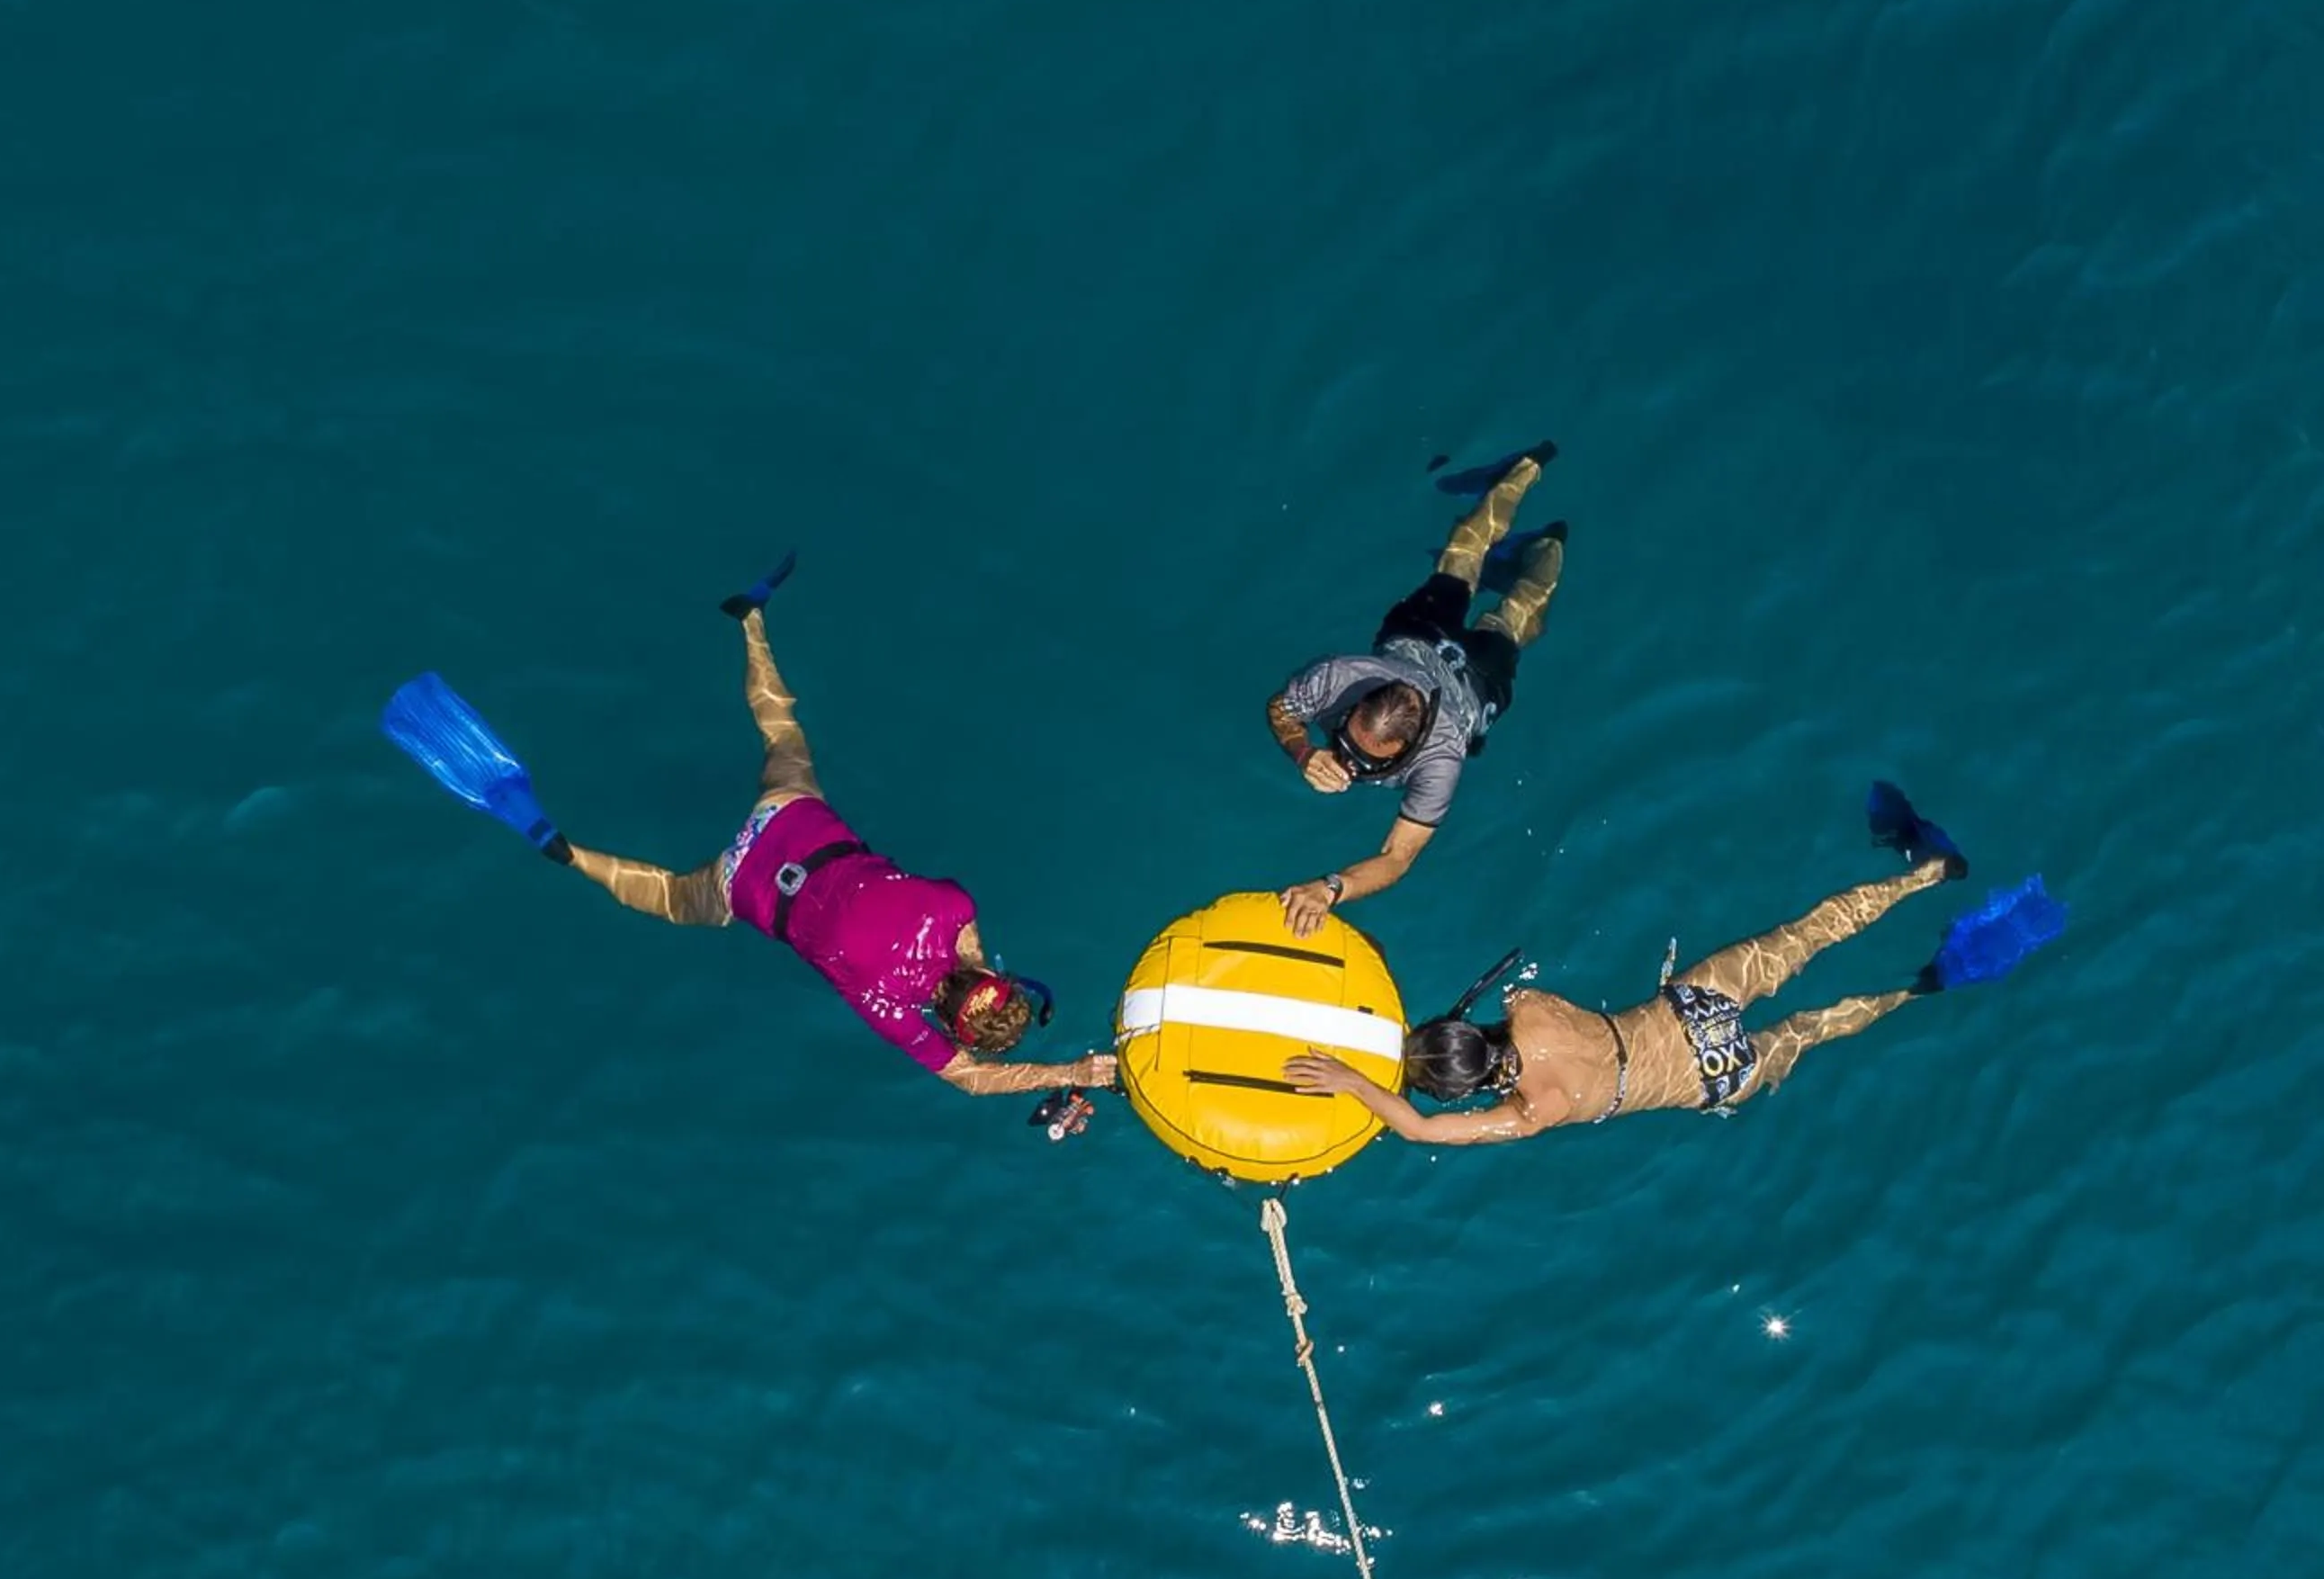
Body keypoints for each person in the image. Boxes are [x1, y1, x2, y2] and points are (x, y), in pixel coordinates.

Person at [380, 555, 1112, 1098]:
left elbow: (970, 944)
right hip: (745, 887)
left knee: (783, 735)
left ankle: (751, 622)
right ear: (952, 1021)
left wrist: (989, 973)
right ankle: (564, 850)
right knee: (670, 898)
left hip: (791, 819)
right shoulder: (891, 1008)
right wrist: (1074, 1072)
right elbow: (975, 1081)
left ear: (989, 979)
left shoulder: (955, 908)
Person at [1281, 785, 2050, 1145]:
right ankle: (1926, 875)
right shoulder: (1528, 1009)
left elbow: (1418, 1130)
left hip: (1703, 1072)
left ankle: (1924, 985)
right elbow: (1485, 1028)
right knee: (1811, 933)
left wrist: (1355, 1085)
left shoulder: (1534, 1109)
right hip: (1688, 1006)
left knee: (1815, 1029)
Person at [1262, 443, 1566, 938]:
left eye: (1364, 763)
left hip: (1476, 683)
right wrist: (1301, 750)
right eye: (1342, 743)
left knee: (1517, 618)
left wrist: (1330, 888)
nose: (1345, 762)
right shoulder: (1339, 675)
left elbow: (1398, 856)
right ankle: (1521, 473)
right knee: (1461, 557)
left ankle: (1552, 546)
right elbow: (1281, 706)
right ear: (1364, 697)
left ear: (1407, 752)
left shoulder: (1440, 762)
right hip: (1418, 637)